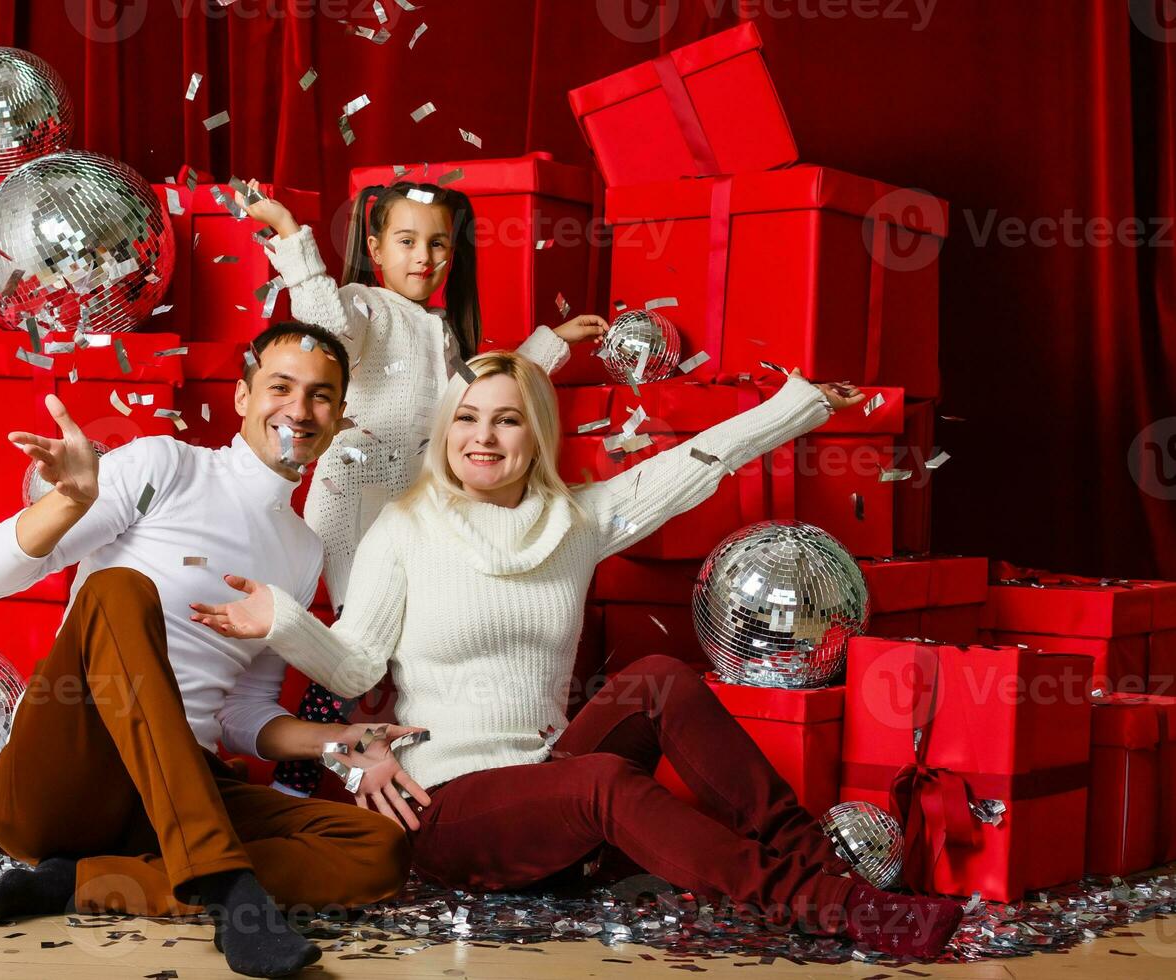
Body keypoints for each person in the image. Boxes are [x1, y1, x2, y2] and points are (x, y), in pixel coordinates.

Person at [191, 353, 968, 958]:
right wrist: (281, 620)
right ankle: (834, 909)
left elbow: (695, 466)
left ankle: (824, 868)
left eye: (506, 420)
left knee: (660, 681)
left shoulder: (575, 520)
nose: (481, 438)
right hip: (449, 806)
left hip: (548, 778)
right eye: (465, 418)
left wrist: (797, 407)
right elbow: (356, 667)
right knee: (600, 781)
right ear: (446, 429)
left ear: (537, 434)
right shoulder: (405, 527)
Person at [0, 322, 425, 979]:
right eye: (281, 387)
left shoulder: (302, 551)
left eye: (321, 396)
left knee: (377, 848)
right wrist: (68, 503)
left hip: (177, 794)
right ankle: (230, 893)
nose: (299, 409)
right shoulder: (165, 466)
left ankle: (89, 882)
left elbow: (245, 709)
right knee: (119, 590)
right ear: (241, 397)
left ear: (340, 418)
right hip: (63, 781)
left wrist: (333, 741)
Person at [243, 179, 608, 797]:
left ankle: (404, 772)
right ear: (375, 247)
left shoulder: (442, 329)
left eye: (439, 244)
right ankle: (296, 781)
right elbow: (321, 324)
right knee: (359, 643)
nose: (424, 258)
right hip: (357, 499)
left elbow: (483, 394)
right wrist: (291, 239)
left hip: (416, 510)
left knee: (398, 642)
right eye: (407, 240)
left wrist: (551, 343)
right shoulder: (362, 306)